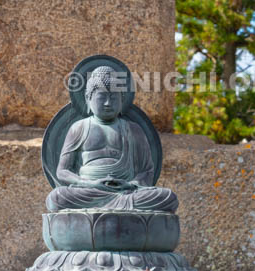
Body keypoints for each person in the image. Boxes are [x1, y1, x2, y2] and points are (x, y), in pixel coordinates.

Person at [46, 66, 177, 212]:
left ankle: (110, 207)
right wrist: (90, 184)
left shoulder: (133, 129)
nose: (108, 103)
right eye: (102, 97)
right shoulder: (79, 127)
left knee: (167, 197)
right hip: (89, 191)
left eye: (114, 98)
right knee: (56, 197)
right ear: (88, 99)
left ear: (122, 100)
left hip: (127, 191)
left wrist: (130, 184)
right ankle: (116, 208)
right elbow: (62, 171)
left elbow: (147, 170)